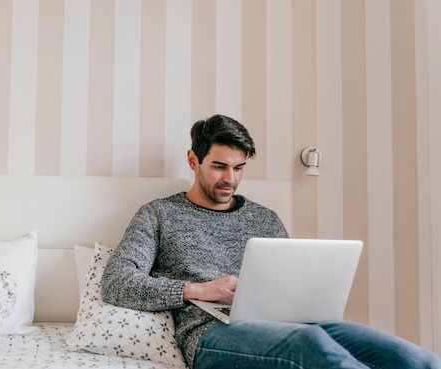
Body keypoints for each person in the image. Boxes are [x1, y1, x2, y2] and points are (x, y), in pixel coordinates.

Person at [100, 114, 441, 369]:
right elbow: (116, 283)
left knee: (416, 359)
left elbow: (293, 283)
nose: (229, 179)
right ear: (193, 160)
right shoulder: (159, 214)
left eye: (239, 168)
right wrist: (198, 290)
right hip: (211, 333)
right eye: (220, 166)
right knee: (311, 346)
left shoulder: (266, 218)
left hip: (296, 323)